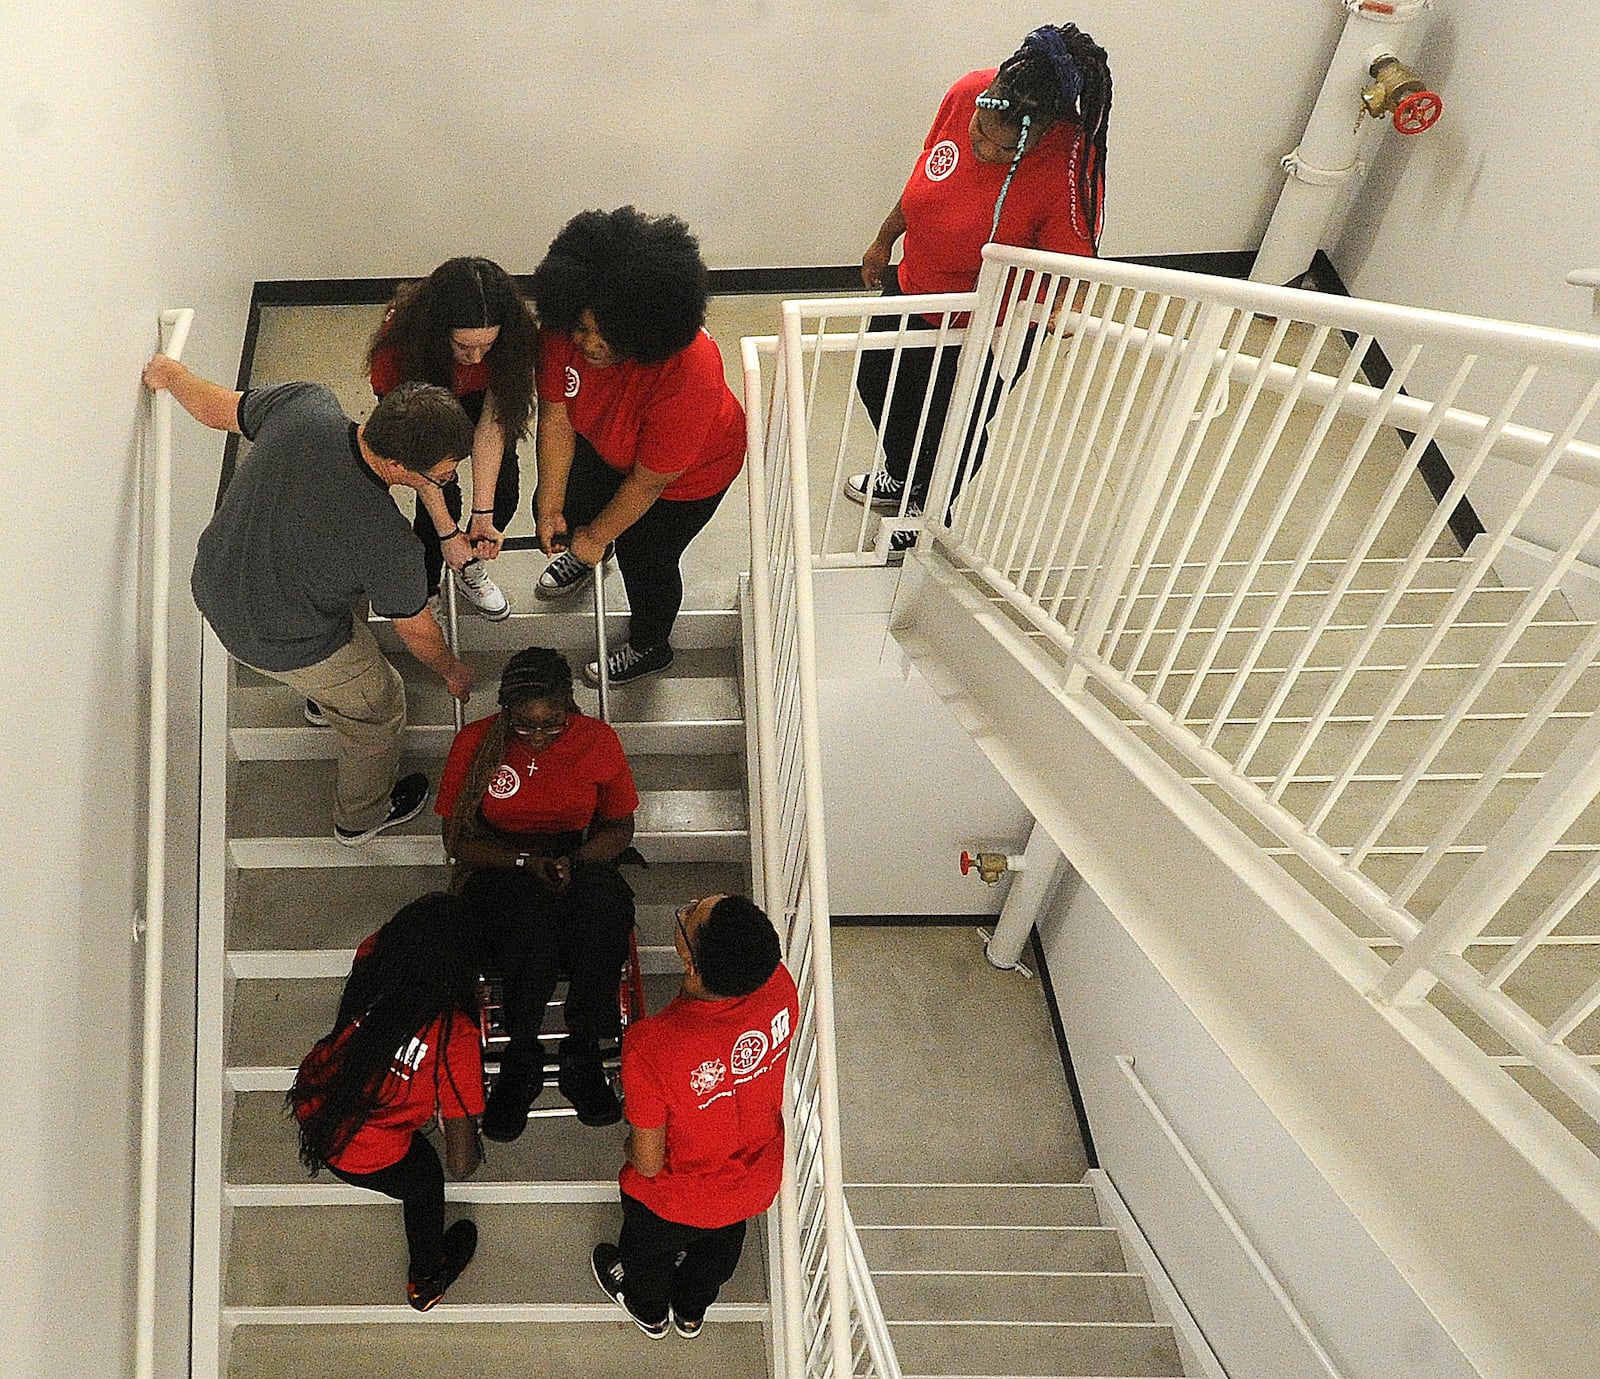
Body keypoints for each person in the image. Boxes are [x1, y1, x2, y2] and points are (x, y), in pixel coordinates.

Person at [143, 360, 477, 844]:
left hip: (216, 581)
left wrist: (170, 374)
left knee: (345, 581)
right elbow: (417, 631)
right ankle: (359, 819)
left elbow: (216, 409)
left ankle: (322, 703)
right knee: (379, 706)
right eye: (443, 475)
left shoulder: (306, 406)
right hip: (278, 640)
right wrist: (451, 670)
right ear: (400, 468)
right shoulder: (389, 544)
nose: (446, 478)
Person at [847, 23, 1112, 547]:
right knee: (877, 383)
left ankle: (929, 511)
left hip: (986, 322)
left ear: (1043, 130)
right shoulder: (968, 91)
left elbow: (1075, 261)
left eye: (1000, 145)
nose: (981, 145)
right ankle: (904, 475)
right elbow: (926, 174)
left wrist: (1049, 315)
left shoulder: (1071, 164)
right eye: (980, 130)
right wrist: (884, 240)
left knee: (954, 425)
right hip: (913, 287)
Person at [528, 207, 746, 685]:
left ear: (643, 329)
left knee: (646, 558)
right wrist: (549, 503)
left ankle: (651, 645)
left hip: (686, 478)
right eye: (581, 329)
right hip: (606, 439)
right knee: (569, 505)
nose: (587, 343)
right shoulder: (563, 326)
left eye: (606, 334)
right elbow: (557, 413)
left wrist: (597, 536)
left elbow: (648, 483)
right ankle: (587, 558)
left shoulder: (690, 370)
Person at [436, 645, 639, 1135]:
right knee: (531, 922)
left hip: (576, 854)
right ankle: (521, 1056)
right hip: (499, 859)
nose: (540, 737)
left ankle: (582, 1049)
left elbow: (620, 827)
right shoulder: (476, 742)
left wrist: (576, 860)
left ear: (570, 706)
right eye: (525, 726)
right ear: (506, 712)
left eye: (553, 724)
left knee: (606, 908)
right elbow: (456, 838)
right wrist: (524, 862)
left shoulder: (597, 741)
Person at [591, 893, 798, 1340]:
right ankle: (690, 1310)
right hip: (753, 1182)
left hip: (674, 1199)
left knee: (646, 1257)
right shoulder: (780, 987)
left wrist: (629, 1144)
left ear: (691, 966)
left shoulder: (653, 1045)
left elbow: (647, 1162)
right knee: (718, 1253)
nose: (684, 908)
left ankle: (649, 1311)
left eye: (688, 915)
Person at [287, 893, 484, 1311]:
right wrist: (458, 1117)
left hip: (315, 1099)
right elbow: (462, 1163)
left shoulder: (374, 953)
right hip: (363, 1151)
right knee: (426, 1182)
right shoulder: (454, 1035)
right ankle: (427, 1281)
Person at [367, 256, 537, 620]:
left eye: (487, 347)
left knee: (503, 494)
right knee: (438, 510)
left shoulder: (515, 338)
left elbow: (493, 424)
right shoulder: (397, 349)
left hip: (476, 400)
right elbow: (419, 463)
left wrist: (483, 514)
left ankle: (469, 567)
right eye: (463, 347)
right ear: (438, 332)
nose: (476, 359)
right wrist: (448, 534)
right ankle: (427, 586)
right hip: (421, 400)